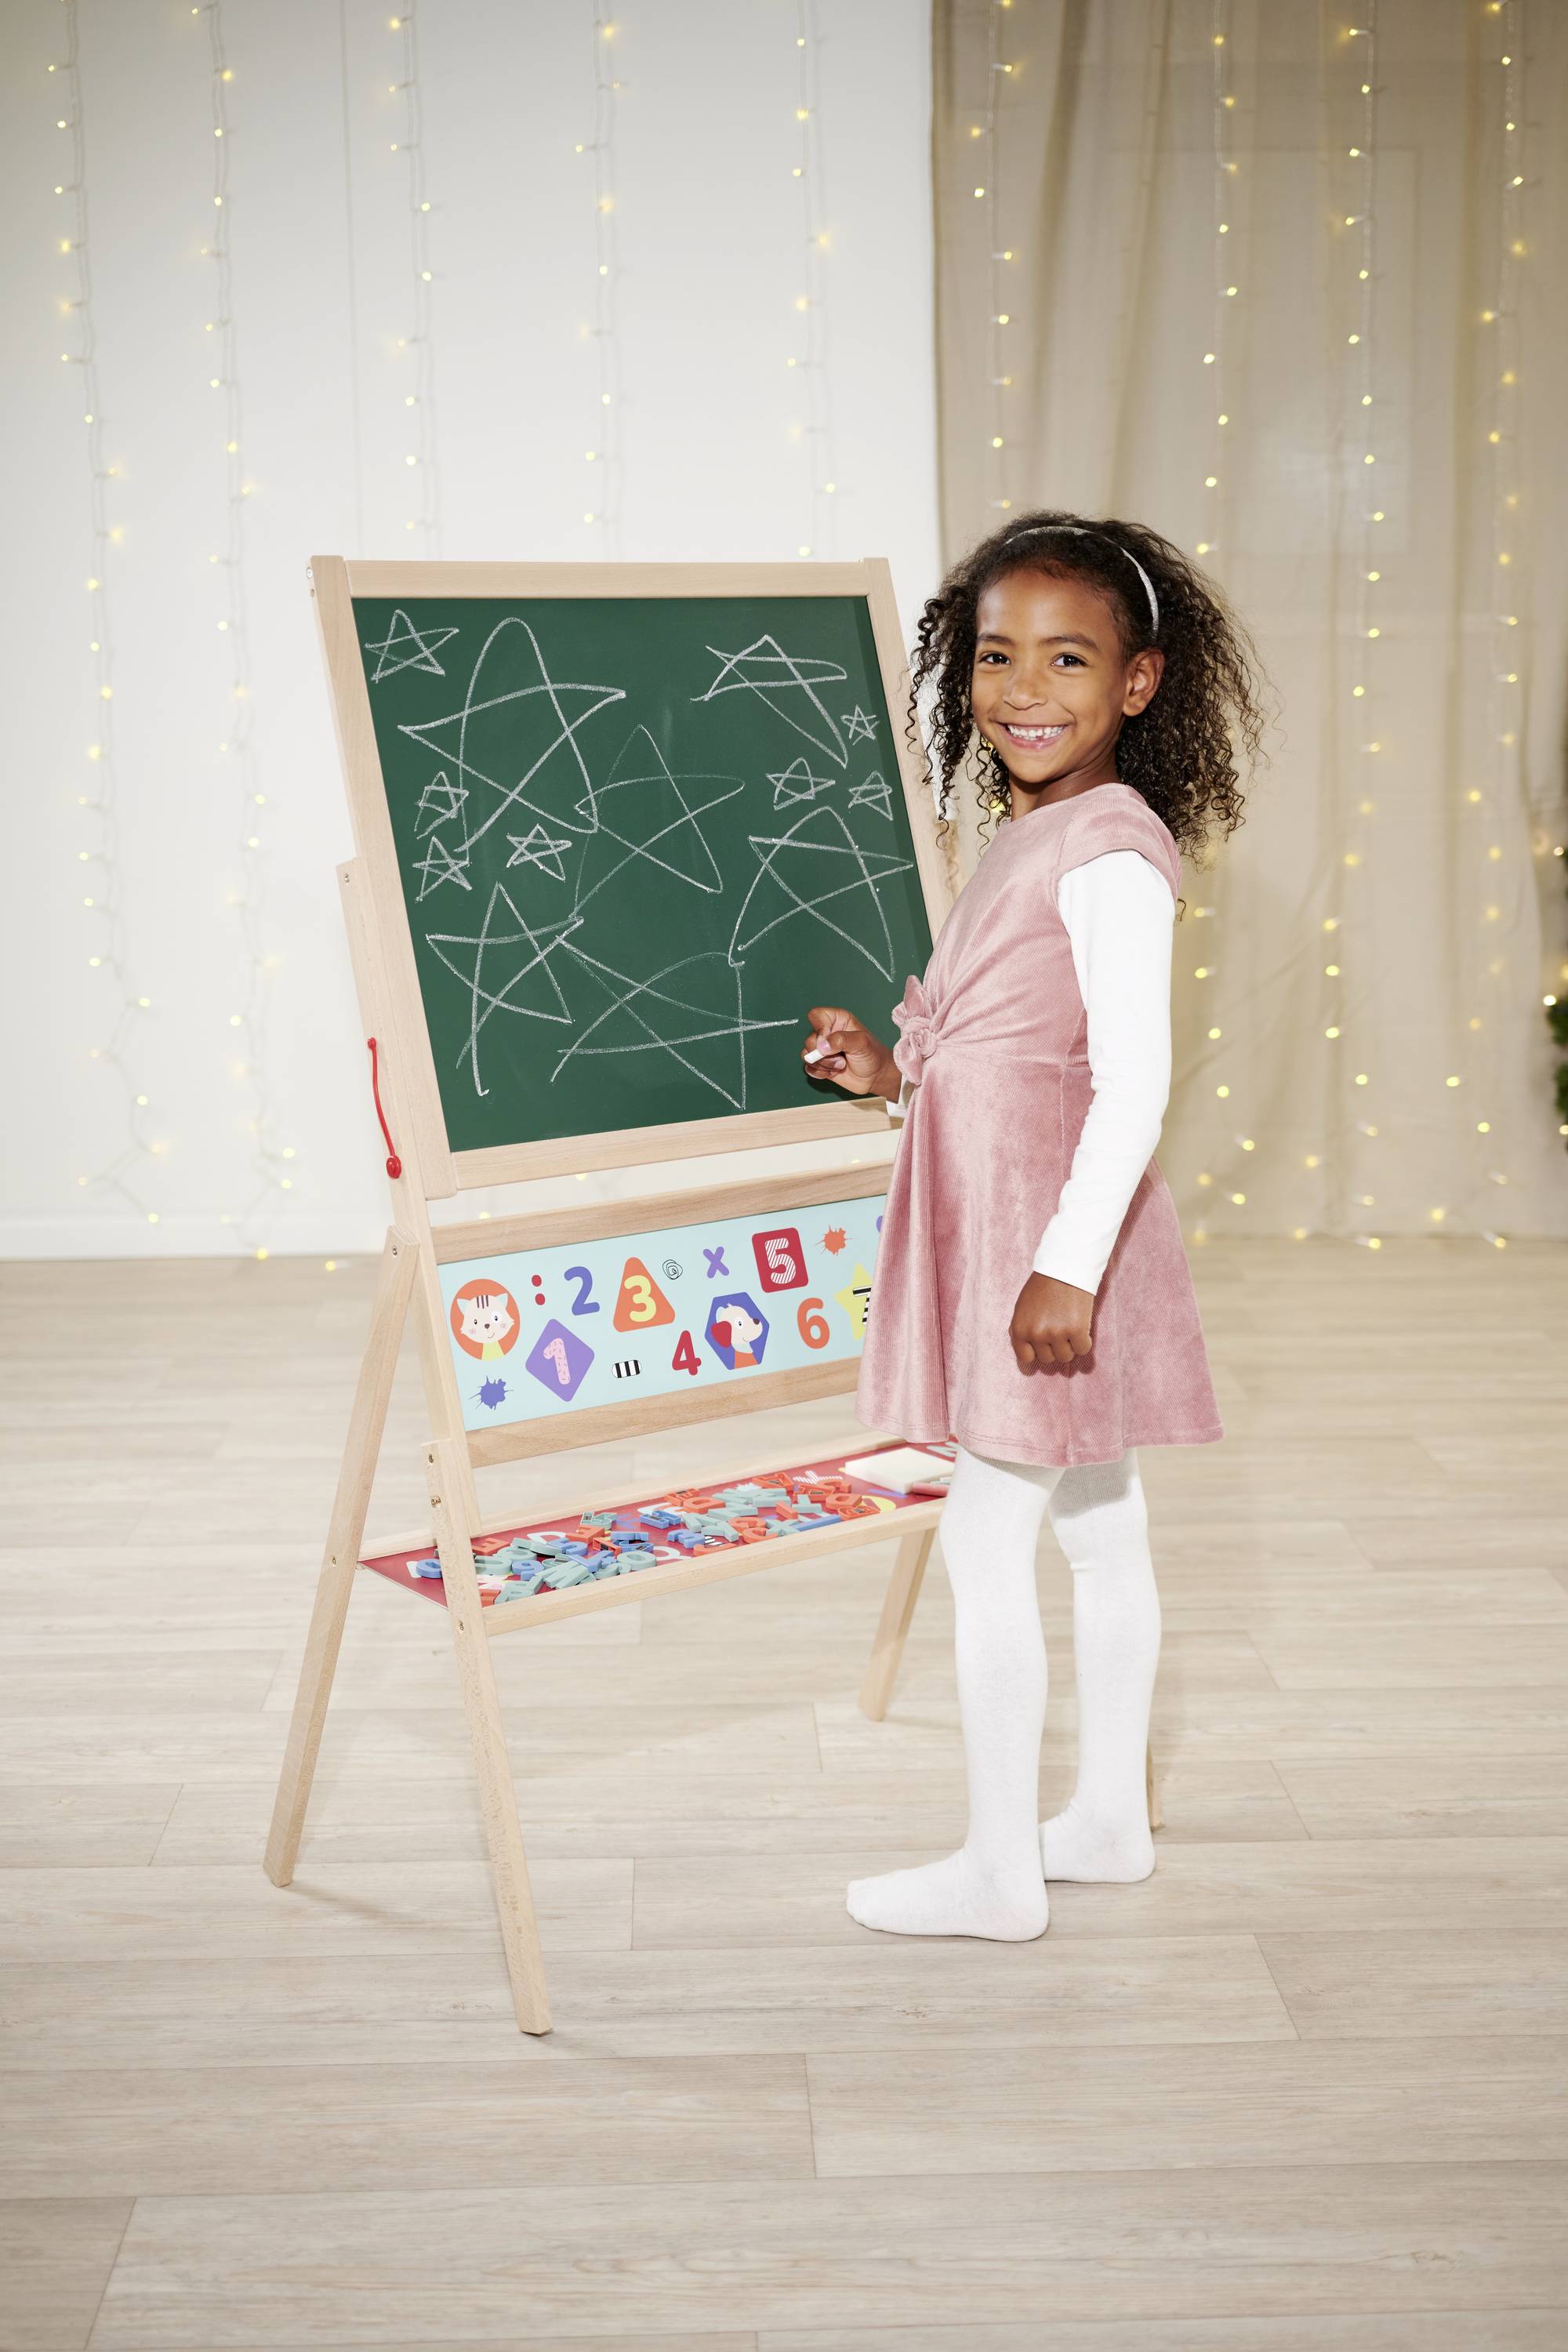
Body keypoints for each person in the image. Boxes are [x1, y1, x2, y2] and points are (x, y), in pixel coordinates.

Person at [801, 510, 1269, 1940]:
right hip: (1023, 1219)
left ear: (1138, 683)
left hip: (1047, 1245)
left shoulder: (1113, 854)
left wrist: (1066, 1267)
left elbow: (1135, 1081)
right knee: (1101, 1522)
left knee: (985, 1542)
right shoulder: (1032, 832)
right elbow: (1006, 1051)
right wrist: (895, 1079)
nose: (1024, 690)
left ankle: (1002, 1870)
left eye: (1068, 660)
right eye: (997, 657)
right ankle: (1109, 1821)